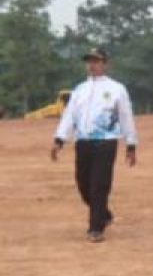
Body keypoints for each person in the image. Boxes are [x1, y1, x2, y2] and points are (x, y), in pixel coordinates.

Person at [50, 47, 138, 243]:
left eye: (96, 61)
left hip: (105, 142)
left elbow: (126, 117)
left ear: (105, 64)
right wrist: (59, 140)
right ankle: (104, 214)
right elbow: (69, 116)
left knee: (99, 185)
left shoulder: (117, 89)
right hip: (83, 142)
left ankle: (95, 228)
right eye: (89, 61)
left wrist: (131, 144)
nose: (92, 65)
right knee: (83, 185)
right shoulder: (80, 90)